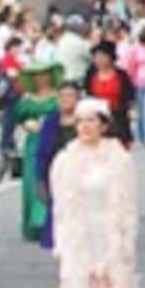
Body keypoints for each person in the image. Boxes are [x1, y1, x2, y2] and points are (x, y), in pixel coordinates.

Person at [50, 98, 145, 288]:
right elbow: (60, 205)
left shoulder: (119, 158)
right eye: (80, 121)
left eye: (92, 120)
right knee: (78, 283)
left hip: (108, 227)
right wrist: (61, 239)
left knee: (113, 280)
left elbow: (128, 201)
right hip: (78, 230)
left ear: (104, 125)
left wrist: (127, 236)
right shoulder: (65, 160)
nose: (85, 127)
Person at [15, 61, 64, 242]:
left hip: (53, 140)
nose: (41, 79)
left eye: (44, 75)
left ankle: (52, 219)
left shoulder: (58, 97)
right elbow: (18, 116)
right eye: (37, 76)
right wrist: (26, 124)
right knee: (32, 178)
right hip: (33, 141)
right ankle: (35, 221)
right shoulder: (27, 98)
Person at [35, 82, 82, 250]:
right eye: (63, 96)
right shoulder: (51, 121)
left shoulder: (86, 121)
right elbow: (41, 152)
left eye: (71, 96)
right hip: (57, 175)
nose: (66, 100)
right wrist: (40, 178)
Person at [83, 41, 136, 146]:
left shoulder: (121, 75)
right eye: (96, 57)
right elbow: (87, 94)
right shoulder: (91, 74)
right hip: (96, 119)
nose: (99, 60)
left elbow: (129, 95)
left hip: (118, 118)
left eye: (102, 56)